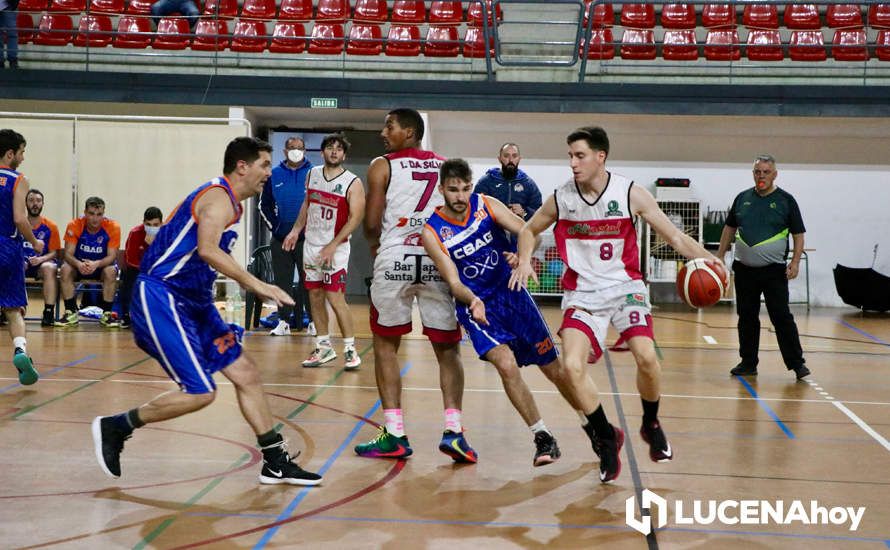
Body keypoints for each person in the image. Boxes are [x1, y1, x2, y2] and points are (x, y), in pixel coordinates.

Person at [91, 136, 322, 487]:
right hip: (162, 297)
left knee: (246, 372)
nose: (267, 173)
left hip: (194, 301)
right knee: (201, 391)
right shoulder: (217, 199)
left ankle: (275, 461)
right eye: (263, 165)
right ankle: (117, 425)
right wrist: (258, 284)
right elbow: (208, 250)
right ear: (241, 167)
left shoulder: (232, 204)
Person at [509, 126, 726, 483]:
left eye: (579, 156)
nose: (573, 163)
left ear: (600, 157)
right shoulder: (562, 197)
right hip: (582, 293)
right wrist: (524, 258)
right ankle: (606, 438)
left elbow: (672, 235)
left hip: (626, 287)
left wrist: (710, 260)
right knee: (572, 368)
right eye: (570, 156)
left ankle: (650, 422)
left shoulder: (629, 192)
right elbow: (528, 229)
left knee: (646, 356)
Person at [423, 158, 572, 467]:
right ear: (441, 190)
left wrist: (523, 255)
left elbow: (530, 231)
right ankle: (543, 437)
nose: (461, 197)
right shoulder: (433, 232)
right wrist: (472, 299)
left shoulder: (486, 204)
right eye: (453, 190)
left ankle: (594, 425)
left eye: (465, 189)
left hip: (513, 294)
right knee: (505, 365)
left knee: (554, 369)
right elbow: (452, 281)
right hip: (477, 306)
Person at [355, 108, 476, 463]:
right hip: (437, 256)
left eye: (389, 126)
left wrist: (379, 249)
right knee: (447, 349)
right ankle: (454, 432)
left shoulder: (383, 164)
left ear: (409, 132)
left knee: (385, 345)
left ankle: (394, 434)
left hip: (395, 257)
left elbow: (373, 222)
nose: (383, 132)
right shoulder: (445, 167)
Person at [717, 154, 809, 380]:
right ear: (753, 174)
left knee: (781, 316)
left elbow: (798, 234)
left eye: (766, 172)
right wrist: (720, 256)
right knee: (746, 317)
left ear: (774, 174)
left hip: (774, 271)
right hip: (745, 270)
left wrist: (795, 262)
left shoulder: (786, 200)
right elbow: (729, 229)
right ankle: (748, 363)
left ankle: (797, 364)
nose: (761, 176)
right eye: (758, 172)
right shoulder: (742, 199)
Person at [283, 133, 365, 370]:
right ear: (322, 152)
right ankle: (324, 346)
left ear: (344, 155)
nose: (334, 152)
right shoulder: (312, 174)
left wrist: (333, 244)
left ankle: (350, 349)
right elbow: (307, 204)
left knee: (335, 297)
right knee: (315, 296)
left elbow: (355, 218)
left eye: (339, 149)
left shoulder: (353, 182)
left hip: (336, 248)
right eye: (330, 147)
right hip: (311, 245)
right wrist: (296, 230)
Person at [0, 129, 43, 385]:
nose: (23, 158)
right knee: (14, 308)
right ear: (10, 154)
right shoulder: (17, 179)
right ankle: (20, 351)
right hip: (7, 247)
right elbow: (19, 218)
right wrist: (34, 241)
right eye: (22, 152)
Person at [260, 136, 314, 336]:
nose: (296, 151)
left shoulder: (314, 174)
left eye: (299, 148)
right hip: (281, 239)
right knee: (282, 281)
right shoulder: (273, 175)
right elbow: (263, 206)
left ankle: (314, 322)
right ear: (284, 151)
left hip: (307, 240)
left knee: (309, 281)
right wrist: (276, 229)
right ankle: (283, 321)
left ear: (305, 151)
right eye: (292, 148)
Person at [57, 196, 121, 328]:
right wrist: (79, 264)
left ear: (104, 214)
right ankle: (71, 312)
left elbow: (112, 256)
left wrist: (96, 264)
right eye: (91, 214)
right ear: (85, 213)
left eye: (99, 215)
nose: (95, 218)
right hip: (78, 266)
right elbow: (68, 254)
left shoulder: (113, 227)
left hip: (101, 267)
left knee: (111, 271)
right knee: (65, 269)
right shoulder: (74, 225)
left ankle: (107, 314)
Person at [474, 143, 542, 235]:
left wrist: (524, 213)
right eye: (506, 156)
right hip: (492, 239)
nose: (510, 160)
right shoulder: (486, 182)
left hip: (519, 240)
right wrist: (498, 215)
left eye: (514, 156)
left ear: (519, 159)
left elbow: (539, 212)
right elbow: (474, 209)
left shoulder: (528, 184)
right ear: (499, 159)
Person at [118, 206, 163, 329]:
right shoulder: (135, 233)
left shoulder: (165, 234)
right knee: (128, 278)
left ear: (161, 223)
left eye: (155, 224)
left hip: (158, 270)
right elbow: (130, 259)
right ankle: (126, 315)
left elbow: (166, 258)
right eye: (148, 224)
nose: (152, 228)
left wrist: (152, 245)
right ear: (143, 222)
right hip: (137, 269)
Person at [23, 189, 62, 327]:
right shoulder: (18, 224)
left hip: (41, 264)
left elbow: (55, 253)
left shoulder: (50, 226)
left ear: (43, 204)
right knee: (10, 265)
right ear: (25, 203)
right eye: (31, 200)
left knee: (49, 268)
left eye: (38, 201)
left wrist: (40, 259)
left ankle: (48, 312)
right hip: (21, 264)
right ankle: (7, 308)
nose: (35, 204)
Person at [1, 0, 19, 70]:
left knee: (12, 33)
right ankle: (0, 61)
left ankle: (13, 60)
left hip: (8, 5)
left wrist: (14, 4)